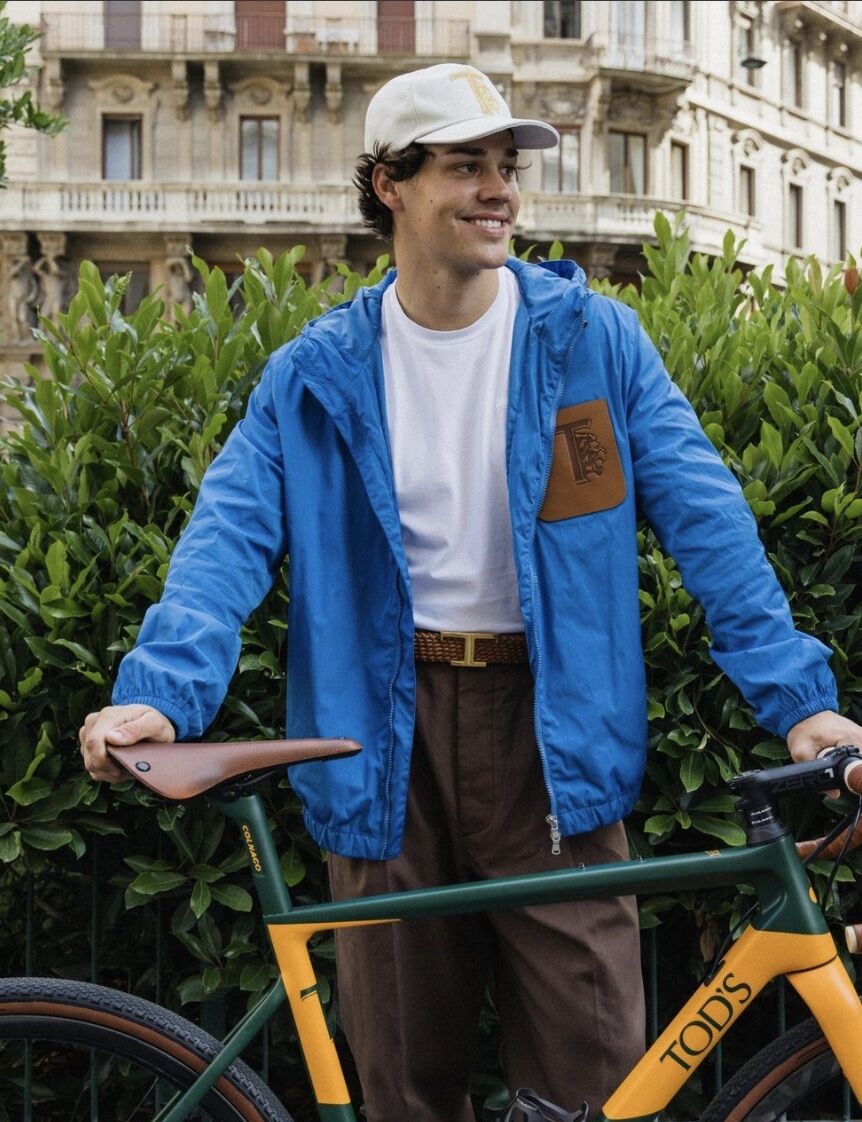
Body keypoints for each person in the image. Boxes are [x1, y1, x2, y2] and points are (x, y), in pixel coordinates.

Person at [80, 64, 862, 1121]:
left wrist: (799, 703)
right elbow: (225, 543)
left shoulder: (592, 342)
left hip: (555, 734)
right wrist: (162, 692)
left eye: (505, 166)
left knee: (598, 1085)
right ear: (388, 185)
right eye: (465, 166)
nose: (498, 189)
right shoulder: (315, 374)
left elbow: (706, 522)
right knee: (404, 1088)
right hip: (375, 744)